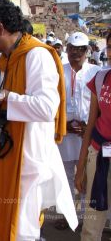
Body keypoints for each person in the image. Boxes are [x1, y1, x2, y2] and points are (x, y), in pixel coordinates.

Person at [0, 0, 78, 240]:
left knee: (22, 232)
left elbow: (47, 108)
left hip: (27, 163)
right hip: (3, 155)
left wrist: (8, 95)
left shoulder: (37, 55)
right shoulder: (3, 61)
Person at [55, 32, 100, 230]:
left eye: (80, 49)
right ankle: (68, 216)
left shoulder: (97, 72)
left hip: (87, 133)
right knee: (64, 177)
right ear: (67, 49)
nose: (76, 53)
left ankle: (83, 218)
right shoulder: (58, 70)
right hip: (64, 133)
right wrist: (61, 125)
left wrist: (90, 126)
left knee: (86, 176)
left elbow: (101, 106)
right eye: (72, 49)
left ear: (87, 51)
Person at [75, 41, 111, 241]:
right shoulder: (101, 79)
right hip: (98, 155)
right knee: (91, 224)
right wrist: (80, 167)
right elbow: (90, 124)